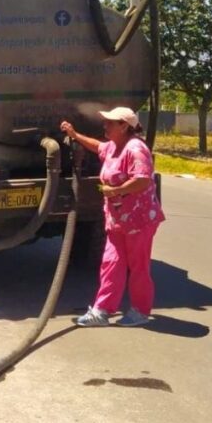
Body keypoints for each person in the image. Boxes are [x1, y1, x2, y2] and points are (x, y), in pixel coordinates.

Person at [59, 107, 165, 328]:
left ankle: (140, 310)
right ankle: (103, 310)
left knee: (138, 267)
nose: (105, 125)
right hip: (117, 220)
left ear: (124, 126)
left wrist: (116, 191)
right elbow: (98, 146)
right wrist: (75, 135)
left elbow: (143, 179)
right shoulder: (114, 147)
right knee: (111, 263)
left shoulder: (135, 149)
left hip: (139, 220)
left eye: (110, 122)